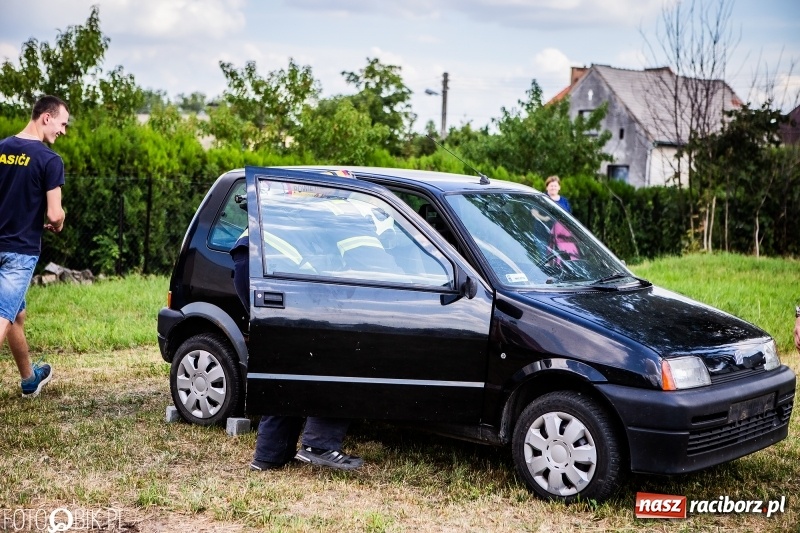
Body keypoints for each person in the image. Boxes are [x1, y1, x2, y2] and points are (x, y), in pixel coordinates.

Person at [230, 228, 363, 471]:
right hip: (269, 260)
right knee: (337, 352)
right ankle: (318, 444)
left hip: (255, 258)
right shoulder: (352, 208)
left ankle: (270, 455)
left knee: (288, 359)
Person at [0, 95, 68, 398]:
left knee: (16, 315)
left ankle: (29, 379)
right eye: (62, 124)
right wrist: (60, 221)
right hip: (19, 252)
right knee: (2, 314)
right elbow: (54, 214)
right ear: (46, 118)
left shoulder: (2, 149)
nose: (63, 131)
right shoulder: (49, 160)